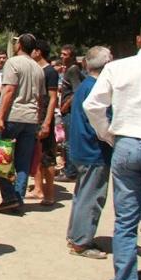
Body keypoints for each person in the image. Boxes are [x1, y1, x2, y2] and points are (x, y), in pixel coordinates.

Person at [83, 24, 141, 280]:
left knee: (125, 220)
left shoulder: (118, 68)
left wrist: (108, 134)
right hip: (129, 140)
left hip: (127, 143)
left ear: (138, 40)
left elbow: (93, 105)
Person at [65, 46, 113, 259]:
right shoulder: (98, 89)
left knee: (82, 194)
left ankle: (76, 235)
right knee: (92, 196)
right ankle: (82, 242)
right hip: (94, 150)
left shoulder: (85, 85)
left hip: (81, 148)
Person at [0, 34, 45, 213]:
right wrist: (38, 120)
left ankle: (9, 197)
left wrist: (0, 117)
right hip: (30, 119)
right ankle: (18, 198)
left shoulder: (13, 63)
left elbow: (9, 90)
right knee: (23, 162)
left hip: (12, 116)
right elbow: (40, 97)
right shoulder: (38, 68)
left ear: (20, 45)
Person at [27, 39, 59, 206]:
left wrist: (46, 121)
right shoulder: (37, 70)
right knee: (38, 155)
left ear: (38, 52)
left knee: (47, 156)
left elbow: (53, 97)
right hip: (36, 117)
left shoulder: (50, 72)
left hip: (45, 118)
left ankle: (50, 194)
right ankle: (38, 189)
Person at [56, 44, 85, 182]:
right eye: (61, 54)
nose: (62, 57)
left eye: (65, 54)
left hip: (70, 112)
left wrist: (66, 106)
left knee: (68, 142)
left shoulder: (73, 71)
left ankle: (70, 172)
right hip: (67, 111)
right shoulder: (68, 71)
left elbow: (77, 91)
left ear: (72, 57)